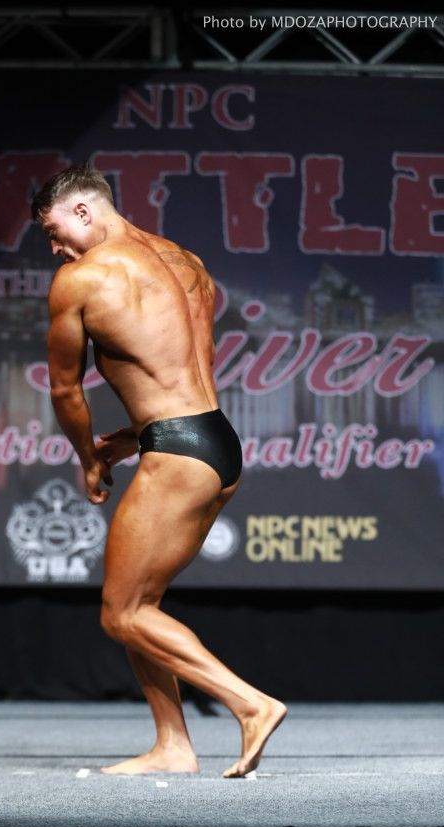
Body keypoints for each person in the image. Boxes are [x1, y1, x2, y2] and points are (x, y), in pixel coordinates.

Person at [32, 163, 286, 777]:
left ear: (84, 211)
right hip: (215, 441)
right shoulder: (184, 261)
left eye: (53, 231)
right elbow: (182, 365)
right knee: (143, 605)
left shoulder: (81, 278)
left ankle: (250, 705)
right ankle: (172, 745)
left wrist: (89, 457)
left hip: (176, 456)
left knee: (122, 614)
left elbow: (65, 390)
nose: (54, 247)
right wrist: (136, 436)